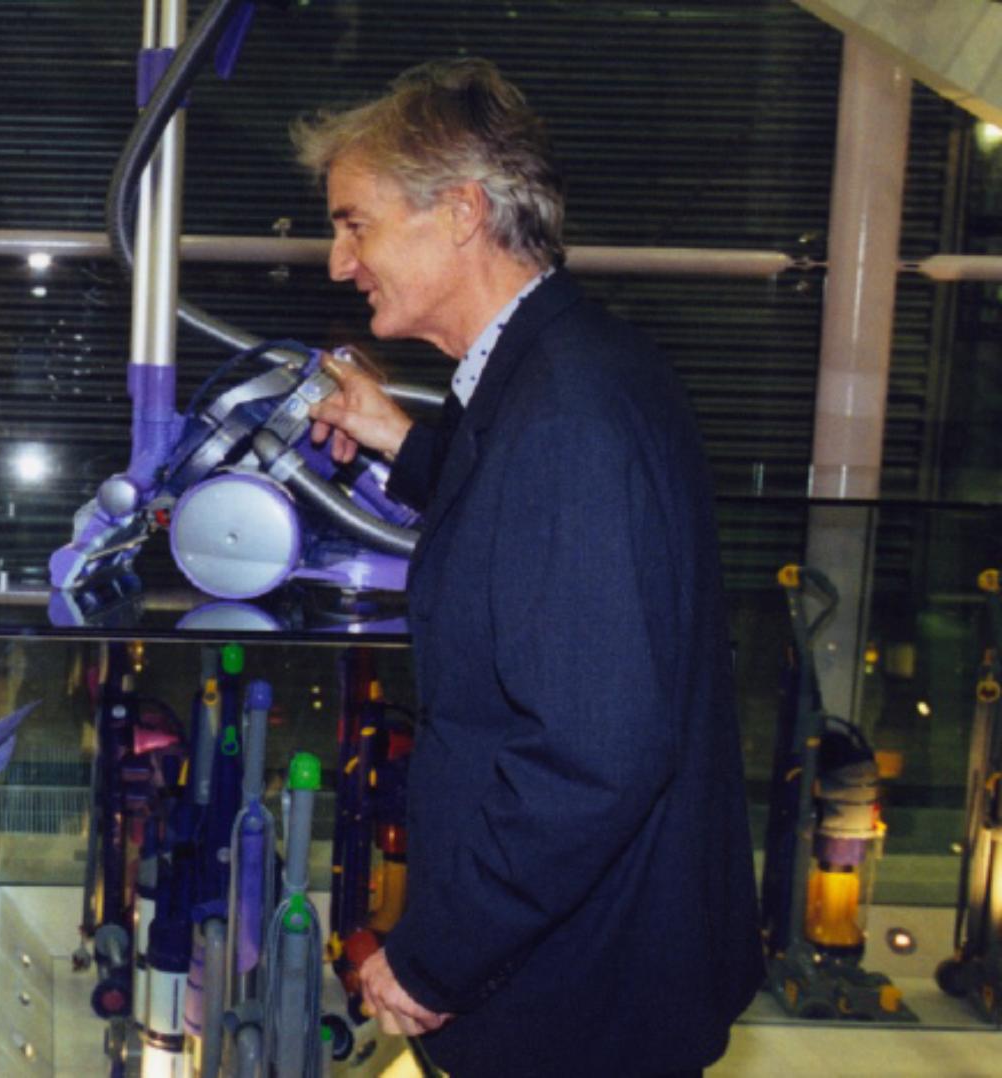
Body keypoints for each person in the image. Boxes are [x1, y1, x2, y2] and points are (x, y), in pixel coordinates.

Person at [296, 59, 761, 1076]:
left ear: (460, 212)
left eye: (354, 223)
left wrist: (432, 962)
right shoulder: (555, 367)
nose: (338, 262)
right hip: (599, 961)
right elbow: (523, 522)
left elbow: (592, 758)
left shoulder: (565, 416)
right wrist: (397, 440)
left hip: (582, 999)